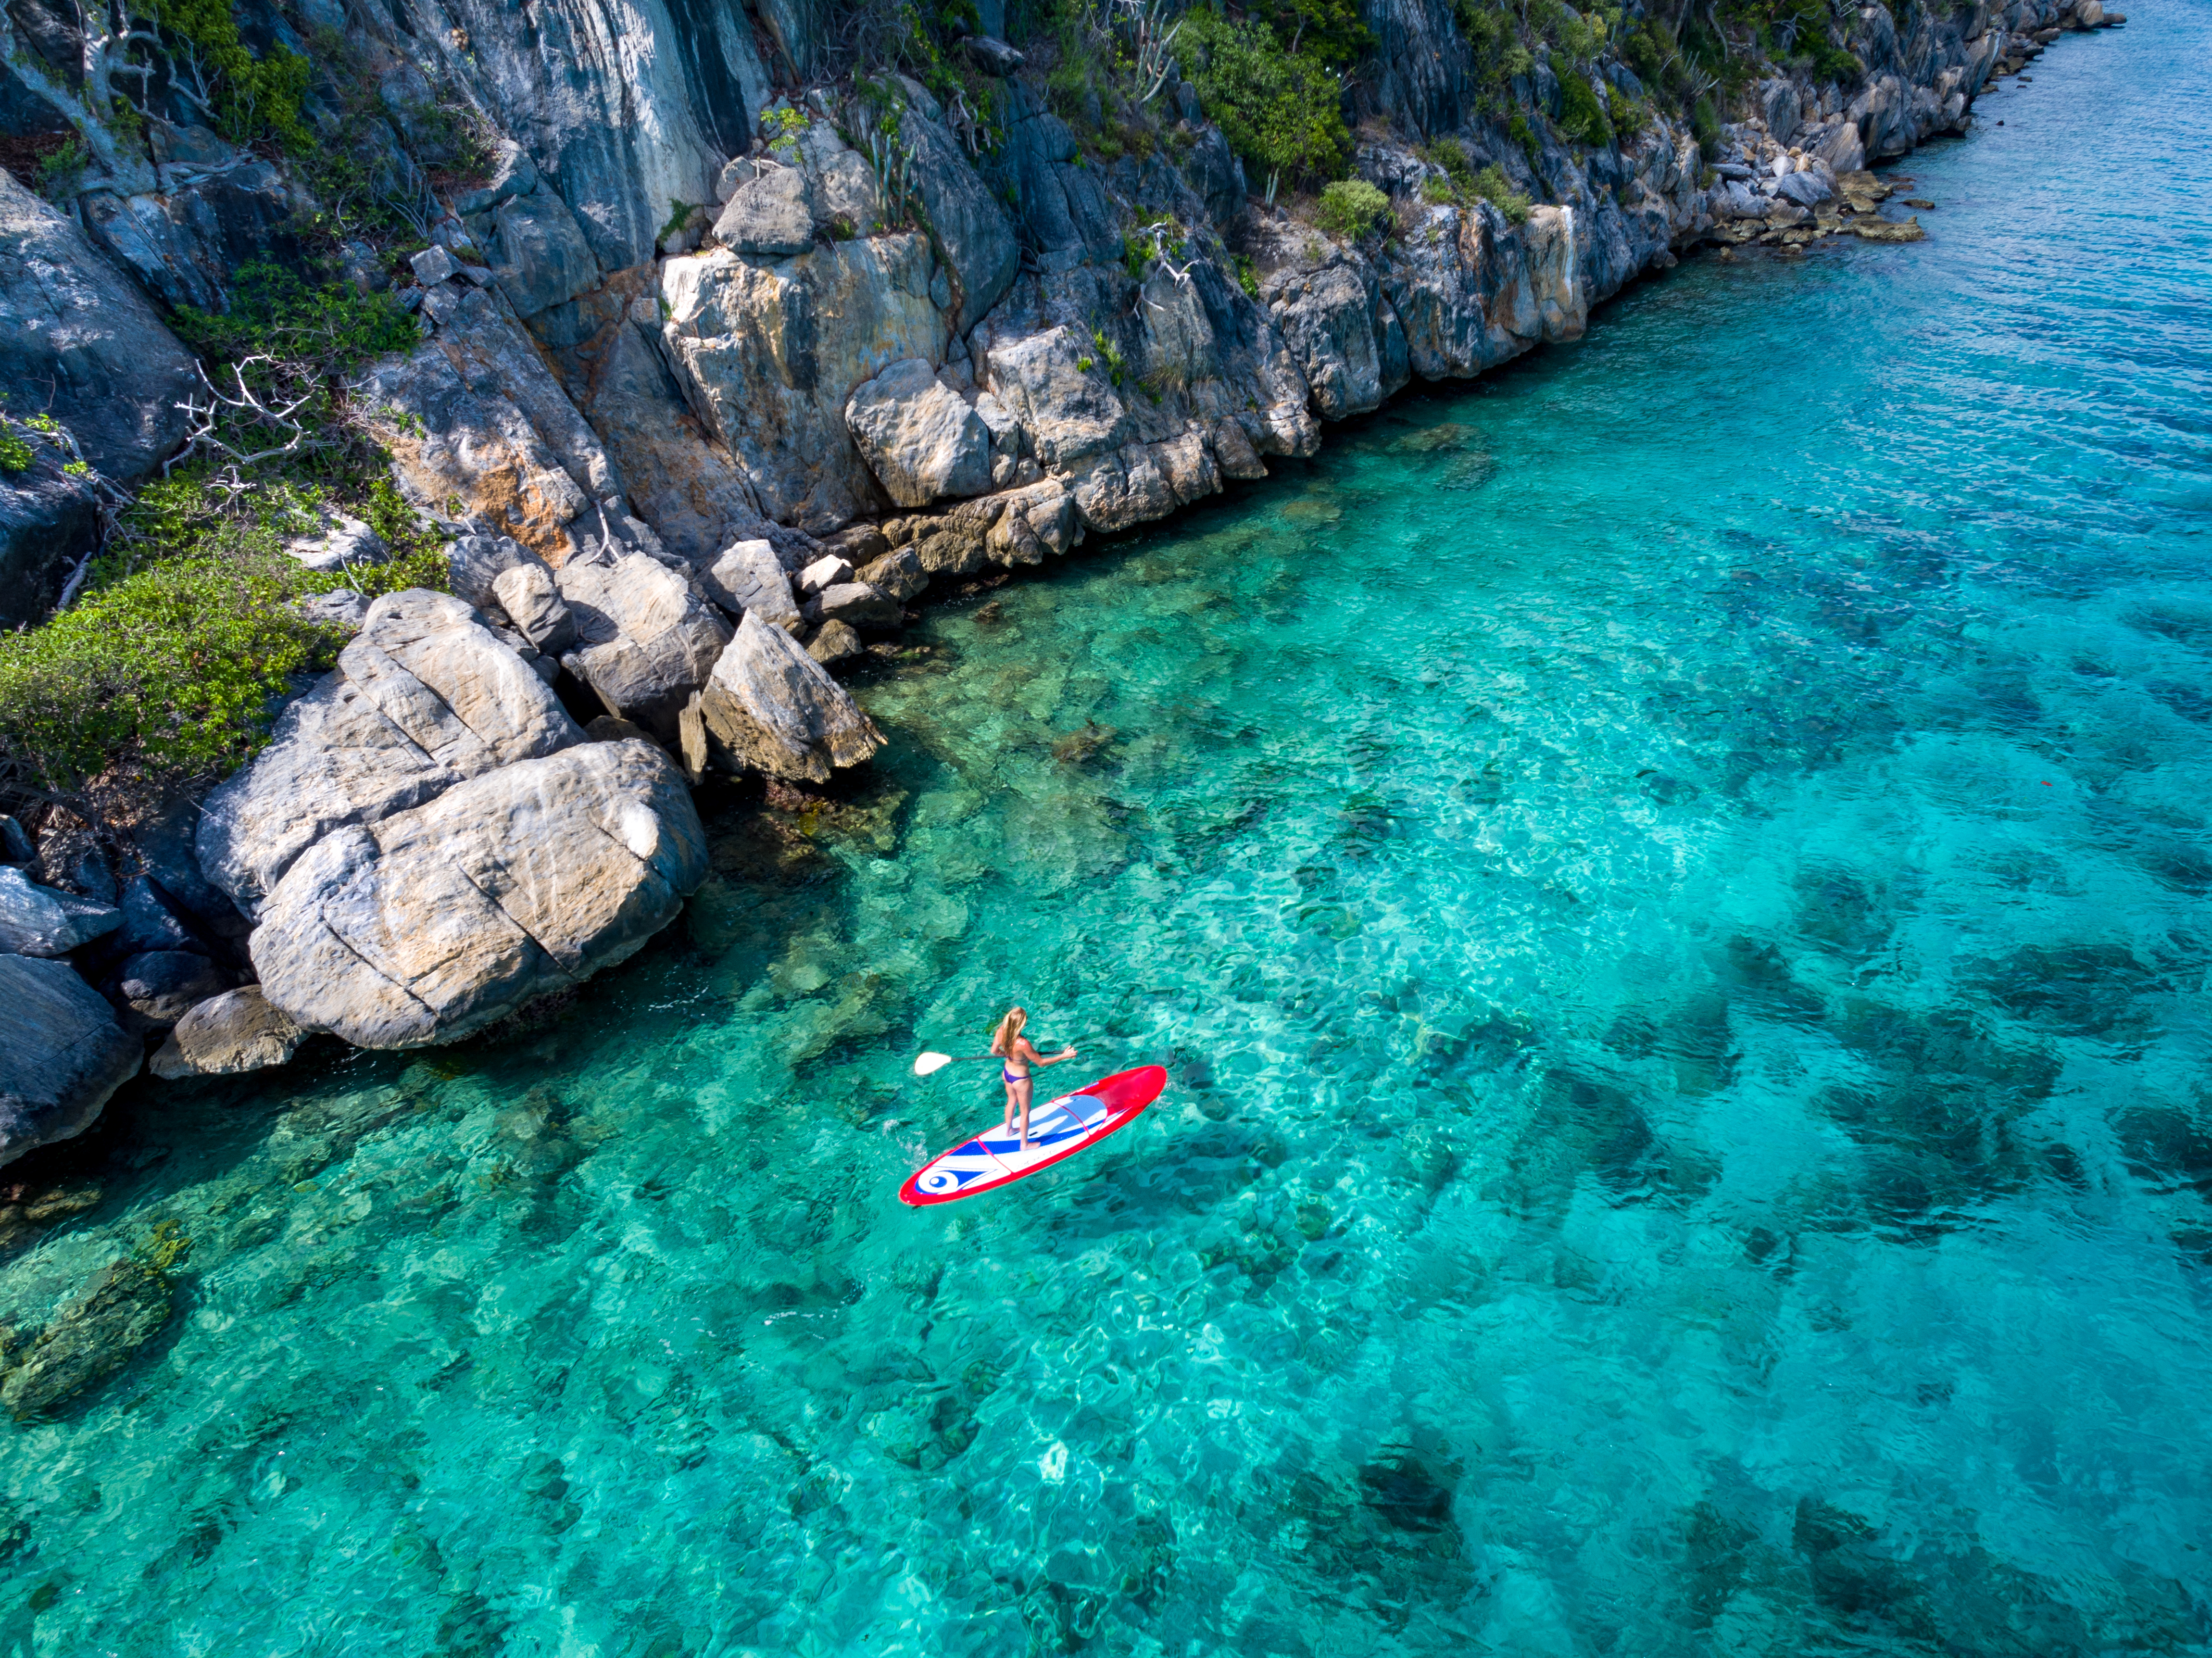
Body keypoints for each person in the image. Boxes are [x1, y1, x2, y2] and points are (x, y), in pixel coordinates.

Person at [990, 1007, 1077, 1150]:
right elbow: (1041, 1063)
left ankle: (1010, 1130)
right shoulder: (1023, 1044)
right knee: (1025, 1112)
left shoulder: (1001, 1031)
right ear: (1020, 1025)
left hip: (1007, 1073)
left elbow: (994, 1051)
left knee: (1011, 1102)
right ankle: (1024, 1144)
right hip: (1021, 1079)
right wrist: (1064, 1056)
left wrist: (1008, 1055)